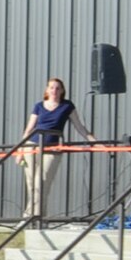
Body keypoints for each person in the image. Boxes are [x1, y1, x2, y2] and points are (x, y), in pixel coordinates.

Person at [17, 77, 96, 223]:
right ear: (47, 90)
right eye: (51, 87)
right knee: (31, 185)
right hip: (31, 146)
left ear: (62, 91)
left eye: (58, 88)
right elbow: (29, 129)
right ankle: (36, 218)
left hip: (52, 148)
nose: (54, 90)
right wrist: (20, 151)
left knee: (41, 183)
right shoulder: (39, 106)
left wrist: (94, 141)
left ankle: (31, 217)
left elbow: (79, 127)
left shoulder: (67, 106)